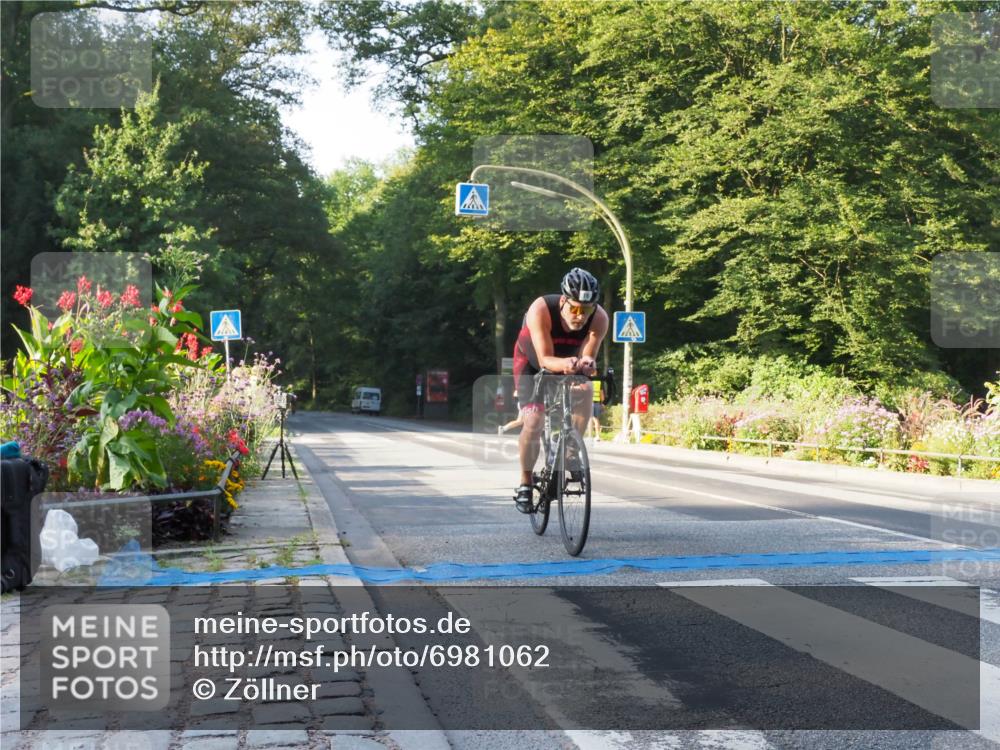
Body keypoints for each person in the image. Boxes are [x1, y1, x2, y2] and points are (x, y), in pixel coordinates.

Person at [512, 268, 609, 513]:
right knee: (533, 420)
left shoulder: (600, 318)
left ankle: (570, 449)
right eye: (575, 309)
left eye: (586, 311)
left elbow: (588, 354)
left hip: (568, 362)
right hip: (532, 363)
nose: (580, 316)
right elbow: (544, 359)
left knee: (585, 388)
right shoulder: (541, 309)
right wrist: (566, 364)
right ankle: (525, 482)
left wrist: (587, 363)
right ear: (563, 301)